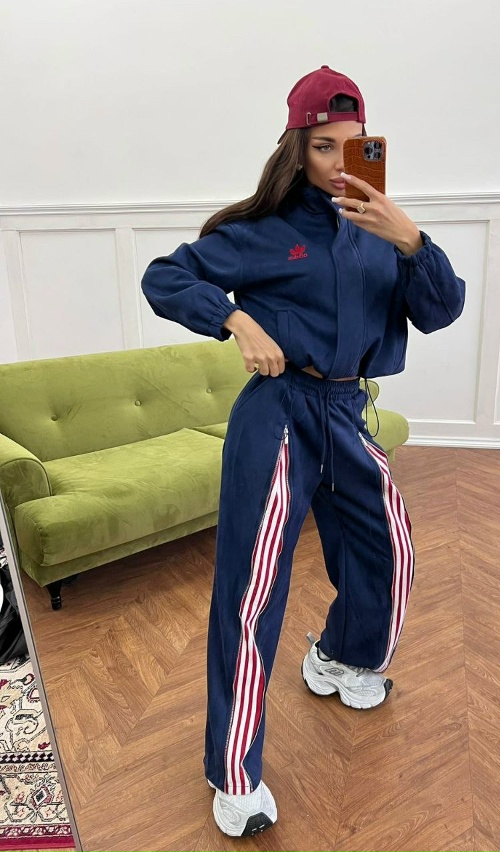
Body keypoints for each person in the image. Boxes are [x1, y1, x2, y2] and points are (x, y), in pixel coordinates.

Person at [141, 65, 465, 837]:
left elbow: (441, 311)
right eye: (324, 146)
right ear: (297, 149)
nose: (341, 161)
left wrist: (413, 241)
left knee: (388, 549)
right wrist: (235, 322)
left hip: (348, 410)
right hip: (279, 414)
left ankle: (341, 657)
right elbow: (165, 277)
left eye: (356, 145)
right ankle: (234, 772)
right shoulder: (263, 233)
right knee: (253, 589)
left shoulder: (383, 231)